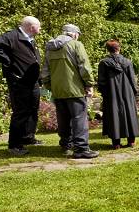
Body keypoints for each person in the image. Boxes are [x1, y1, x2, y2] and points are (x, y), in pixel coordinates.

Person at [0, 15, 43, 156]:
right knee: (21, 112)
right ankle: (15, 145)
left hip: (32, 81)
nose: (40, 29)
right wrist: (7, 60)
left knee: (33, 109)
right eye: (39, 26)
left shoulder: (29, 39)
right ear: (31, 27)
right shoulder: (12, 36)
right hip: (19, 81)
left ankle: (28, 137)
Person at [40, 23, 99, 159]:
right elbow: (84, 67)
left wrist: (50, 86)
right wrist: (89, 84)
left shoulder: (50, 48)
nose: (77, 37)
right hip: (75, 89)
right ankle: (81, 148)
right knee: (79, 119)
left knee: (63, 118)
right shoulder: (76, 45)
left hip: (58, 90)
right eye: (77, 35)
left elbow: (45, 71)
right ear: (73, 34)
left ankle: (66, 144)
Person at [97, 39, 139, 149]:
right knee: (129, 113)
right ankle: (131, 141)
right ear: (119, 48)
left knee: (114, 115)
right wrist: (135, 92)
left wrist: (105, 93)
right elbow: (132, 79)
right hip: (127, 92)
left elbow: (101, 82)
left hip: (112, 94)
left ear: (108, 49)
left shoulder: (103, 63)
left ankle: (116, 143)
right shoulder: (127, 62)